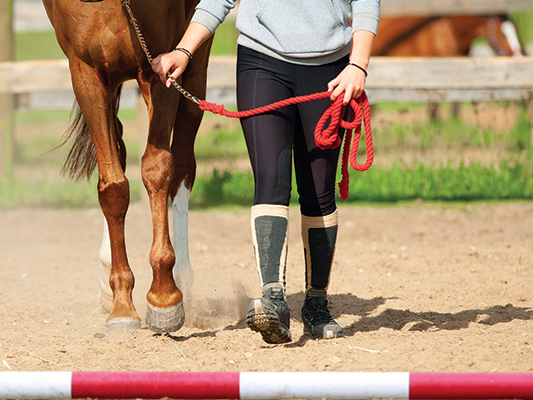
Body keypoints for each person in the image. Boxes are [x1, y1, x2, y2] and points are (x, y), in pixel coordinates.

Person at [152, 0, 379, 344]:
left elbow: (365, 2)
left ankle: (316, 304)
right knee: (271, 181)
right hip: (261, 62)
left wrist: (358, 65)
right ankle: (273, 298)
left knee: (318, 192)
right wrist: (184, 50)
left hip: (329, 69)